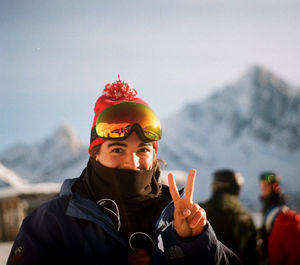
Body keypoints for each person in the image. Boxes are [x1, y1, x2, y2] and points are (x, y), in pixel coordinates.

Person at [7, 76, 241, 265]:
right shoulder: (51, 223)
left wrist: (196, 244)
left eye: (143, 150)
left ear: (154, 154)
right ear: (95, 154)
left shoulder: (178, 216)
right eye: (118, 149)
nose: (132, 162)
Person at [200, 169, 259, 265]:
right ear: (237, 188)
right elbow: (253, 256)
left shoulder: (199, 212)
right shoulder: (244, 217)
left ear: (214, 186)